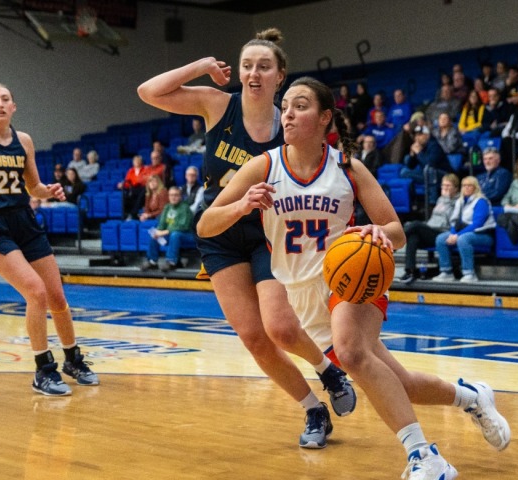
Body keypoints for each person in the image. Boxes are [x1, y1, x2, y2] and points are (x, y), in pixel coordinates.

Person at [198, 76, 510, 478]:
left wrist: (377, 233)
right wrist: (241, 205)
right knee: (399, 383)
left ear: (325, 117)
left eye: (300, 106)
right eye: (286, 106)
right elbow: (206, 224)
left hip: (349, 279)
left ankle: (425, 458)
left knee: (350, 351)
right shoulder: (264, 165)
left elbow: (395, 230)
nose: (288, 114)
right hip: (301, 296)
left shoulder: (347, 167)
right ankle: (471, 397)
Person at [137, 28, 358, 446]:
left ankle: (328, 369)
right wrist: (202, 66)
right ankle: (313, 409)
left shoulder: (289, 122)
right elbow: (148, 91)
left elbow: (320, 167)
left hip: (267, 232)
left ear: (280, 75)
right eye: (247, 66)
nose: (254, 73)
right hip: (220, 227)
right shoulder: (217, 104)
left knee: (279, 327)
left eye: (264, 66)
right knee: (253, 338)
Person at [0, 83, 98, 395]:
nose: (0, 104)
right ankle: (43, 370)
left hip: (24, 221)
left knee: (56, 296)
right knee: (36, 291)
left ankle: (73, 359)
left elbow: (33, 187)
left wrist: (49, 190)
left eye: (5, 99)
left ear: (13, 107)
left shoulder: (24, 141)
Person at [432, 175, 496, 283]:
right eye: (464, 185)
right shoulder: (460, 201)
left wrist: (457, 235)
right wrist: (452, 234)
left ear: (475, 187)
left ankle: (469, 273)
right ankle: (446, 272)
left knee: (463, 239)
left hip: (483, 235)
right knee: (441, 238)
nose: (466, 188)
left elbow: (477, 224)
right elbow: (454, 221)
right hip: (463, 233)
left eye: (469, 185)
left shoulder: (481, 201)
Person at [400, 173, 460, 284]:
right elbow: (433, 219)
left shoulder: (458, 202)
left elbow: (452, 220)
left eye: (448, 186)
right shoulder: (440, 200)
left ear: (456, 188)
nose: (445, 188)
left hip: (443, 232)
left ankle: (396, 240)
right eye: (443, 186)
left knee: (416, 225)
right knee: (413, 237)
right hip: (431, 229)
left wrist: (447, 199)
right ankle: (410, 271)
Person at [140, 186, 195, 272]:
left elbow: (183, 226)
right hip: (171, 235)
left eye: (176, 195)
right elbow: (161, 224)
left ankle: (171, 262)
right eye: (171, 195)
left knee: (175, 234)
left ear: (180, 196)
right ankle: (152, 261)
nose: (173, 197)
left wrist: (164, 232)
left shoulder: (185, 208)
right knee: (154, 235)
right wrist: (158, 231)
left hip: (187, 236)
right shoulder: (167, 207)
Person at [400, 125, 451, 204]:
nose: (417, 138)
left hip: (443, 174)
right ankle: (414, 203)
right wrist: (412, 155)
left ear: (427, 135)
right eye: (416, 135)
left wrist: (419, 153)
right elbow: (410, 166)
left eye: (420, 135)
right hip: (427, 174)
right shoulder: (420, 147)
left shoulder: (434, 146)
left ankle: (432, 203)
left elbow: (430, 164)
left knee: (429, 171)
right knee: (404, 171)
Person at [117, 154, 149, 220]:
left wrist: (138, 181)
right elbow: (127, 181)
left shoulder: (145, 169)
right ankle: (128, 214)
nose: (136, 162)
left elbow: (145, 180)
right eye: (135, 161)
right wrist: (122, 184)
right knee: (125, 195)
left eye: (138, 160)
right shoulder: (130, 171)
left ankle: (133, 213)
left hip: (142, 188)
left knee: (142, 192)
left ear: (141, 161)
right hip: (132, 188)